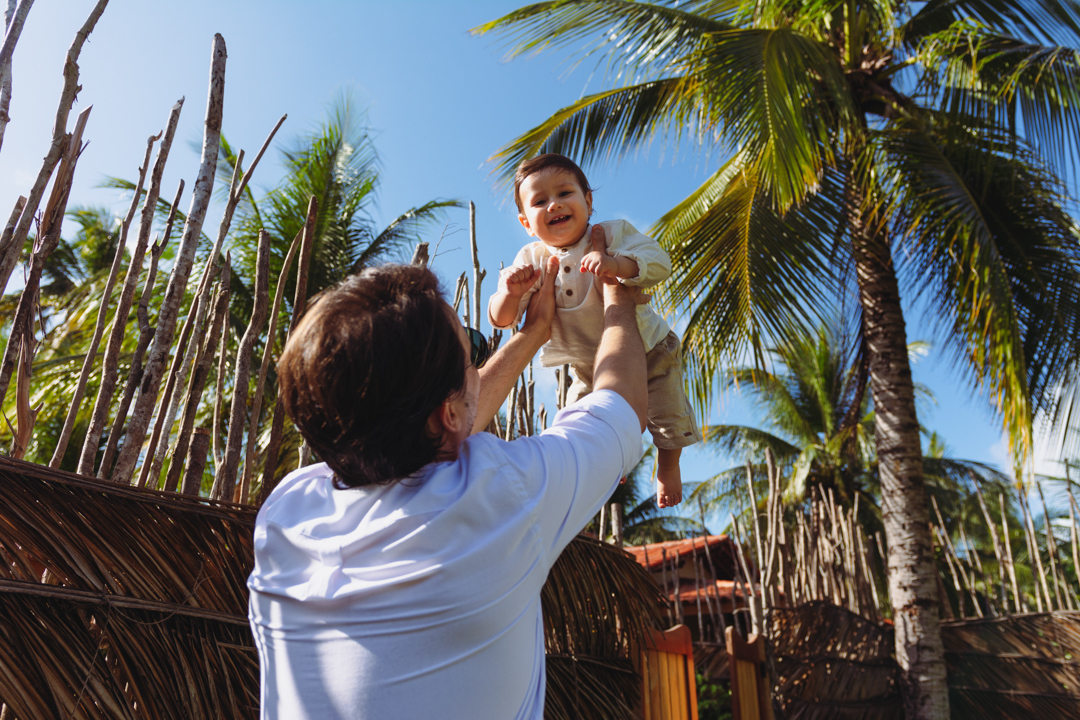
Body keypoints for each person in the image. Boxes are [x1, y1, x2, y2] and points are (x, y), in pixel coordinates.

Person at [247, 256, 649, 719]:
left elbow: (436, 431)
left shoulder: (286, 513)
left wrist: (530, 335)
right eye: (474, 352)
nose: (478, 364)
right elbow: (622, 406)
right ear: (448, 412)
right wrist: (617, 295)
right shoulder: (500, 497)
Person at [488, 153, 701, 508]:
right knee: (577, 421)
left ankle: (668, 465)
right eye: (540, 201)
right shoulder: (531, 259)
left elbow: (659, 262)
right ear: (526, 222)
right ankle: (607, 458)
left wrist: (615, 263)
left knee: (668, 411)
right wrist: (509, 292)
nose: (554, 204)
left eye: (564, 193)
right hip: (586, 362)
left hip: (649, 347)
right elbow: (503, 318)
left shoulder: (612, 233)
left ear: (588, 201)